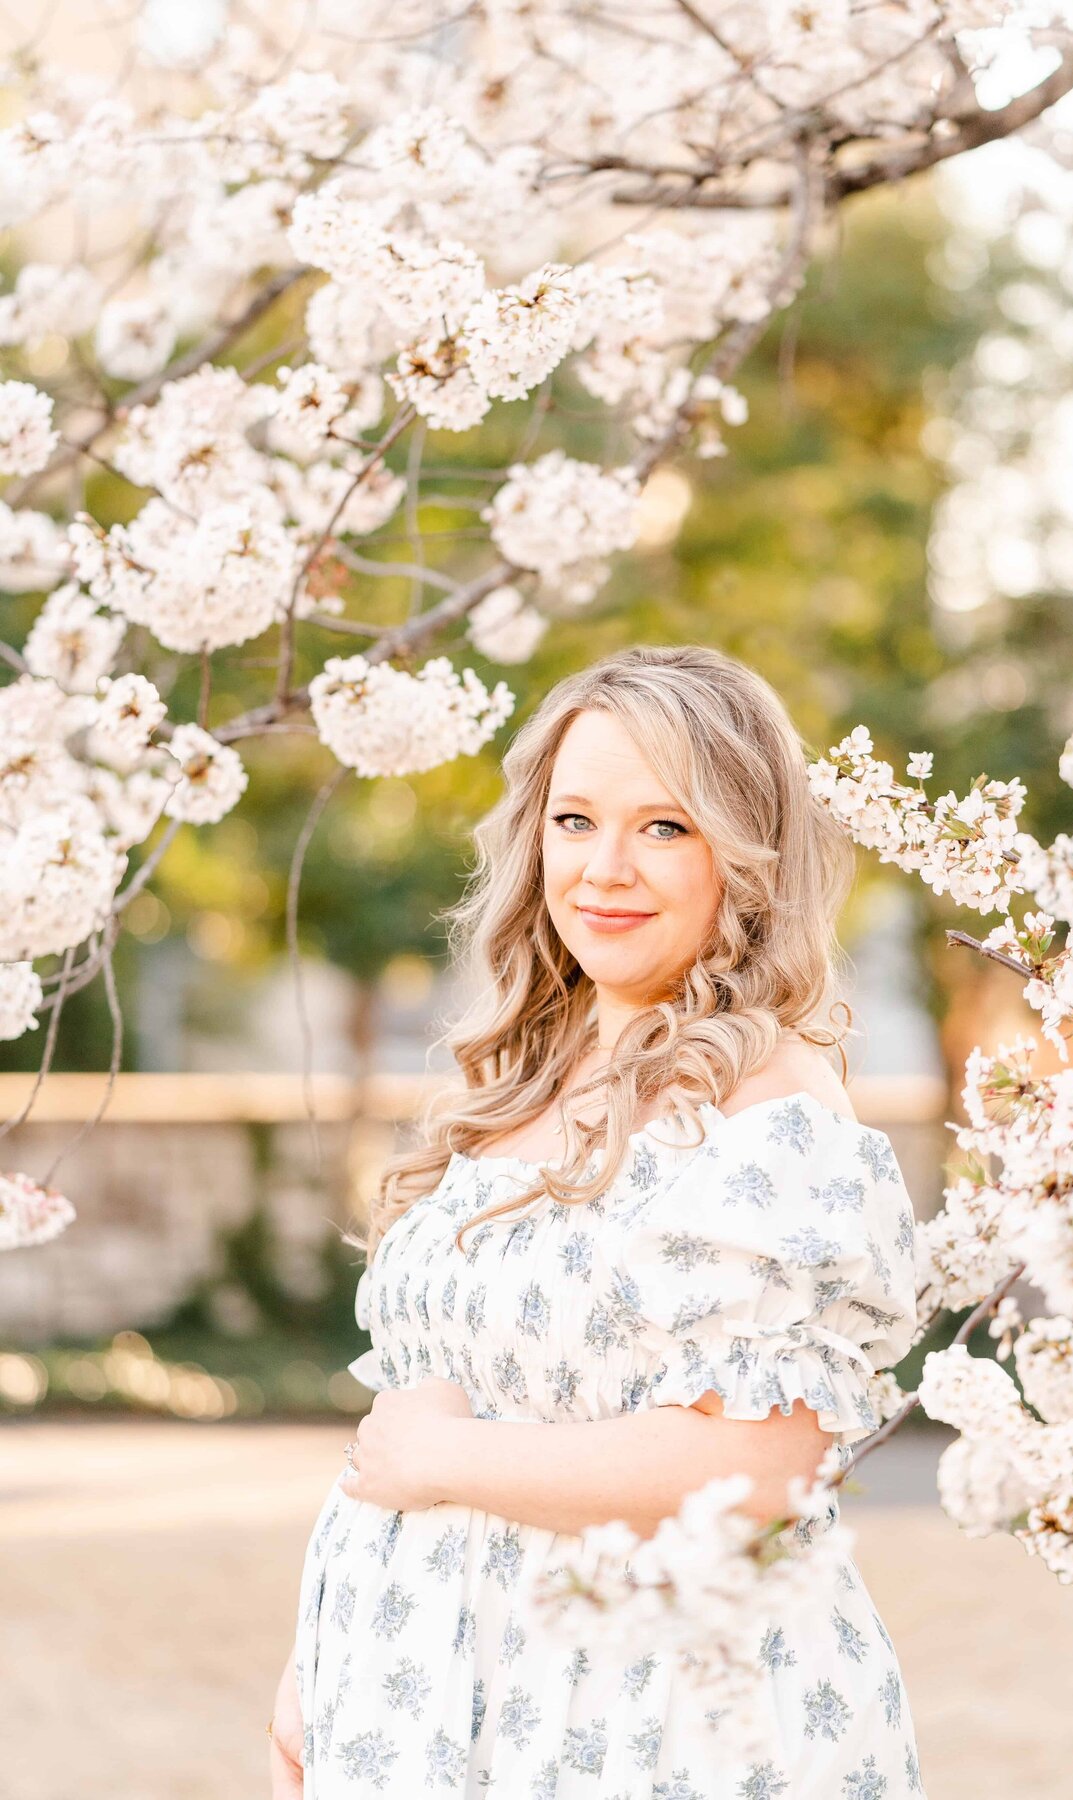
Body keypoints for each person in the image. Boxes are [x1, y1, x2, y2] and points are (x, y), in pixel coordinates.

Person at [269, 644, 925, 1798]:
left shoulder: (769, 1104)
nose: (606, 869)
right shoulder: (524, 1074)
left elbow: (762, 1463)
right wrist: (319, 1662)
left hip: (643, 1715)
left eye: (665, 827)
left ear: (747, 850)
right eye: (575, 821)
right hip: (419, 1693)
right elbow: (423, 1403)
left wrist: (441, 1459)